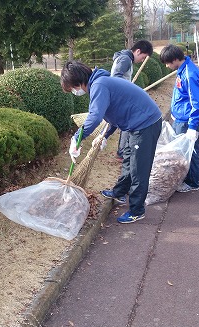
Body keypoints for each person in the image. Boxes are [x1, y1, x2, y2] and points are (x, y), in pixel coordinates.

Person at [61, 61, 163, 224]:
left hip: (145, 123)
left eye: (72, 88)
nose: (74, 92)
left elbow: (95, 117)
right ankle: (120, 192)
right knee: (129, 160)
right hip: (135, 123)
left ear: (79, 82)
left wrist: (77, 138)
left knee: (138, 169)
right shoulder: (100, 82)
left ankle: (137, 210)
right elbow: (113, 114)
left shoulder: (99, 85)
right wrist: (105, 136)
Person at [159, 44, 199, 193]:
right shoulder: (183, 70)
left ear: (175, 59)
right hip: (181, 117)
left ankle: (192, 182)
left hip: (188, 120)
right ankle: (185, 178)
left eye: (168, 63)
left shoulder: (190, 74)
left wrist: (193, 126)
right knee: (181, 151)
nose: (167, 66)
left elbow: (198, 102)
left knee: (191, 151)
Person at [110, 40, 154, 160]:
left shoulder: (125, 58)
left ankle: (122, 151)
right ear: (138, 51)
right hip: (120, 98)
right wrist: (128, 89)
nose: (141, 61)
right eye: (143, 57)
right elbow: (116, 78)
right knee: (127, 124)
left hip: (121, 97)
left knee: (125, 123)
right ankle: (122, 152)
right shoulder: (125, 60)